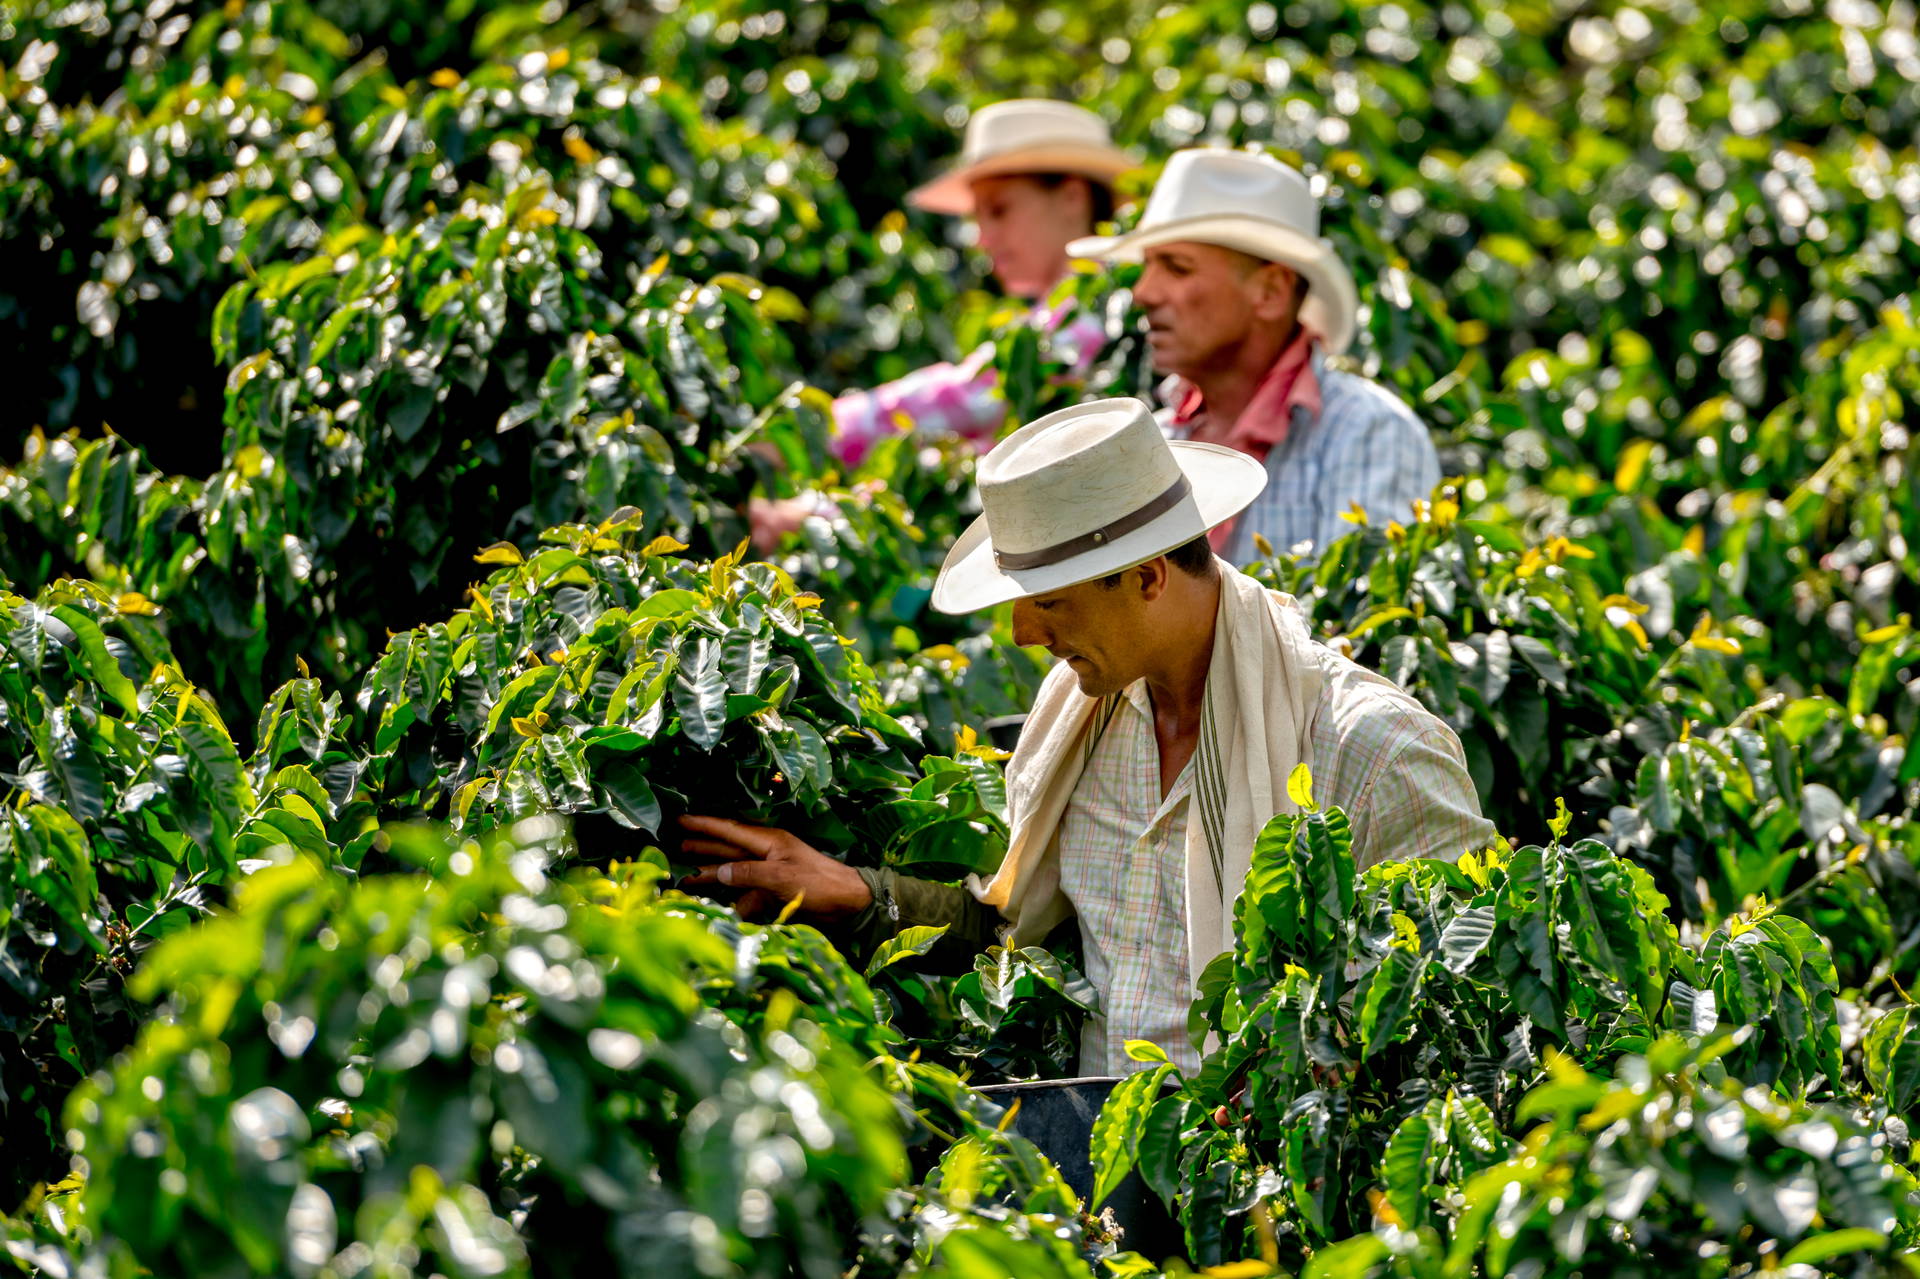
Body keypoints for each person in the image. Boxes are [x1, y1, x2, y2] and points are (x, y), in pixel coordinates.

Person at [684, 398, 1494, 1075]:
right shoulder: (1085, 717)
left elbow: (1461, 1021)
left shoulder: (1372, 752)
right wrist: (859, 890)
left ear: (1147, 577)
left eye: (1050, 599)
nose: (1021, 630)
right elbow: (1016, 928)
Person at [750, 100, 1133, 549]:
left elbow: (974, 396)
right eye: (977, 217)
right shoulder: (1060, 311)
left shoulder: (1102, 305)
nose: (981, 238)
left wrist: (806, 435)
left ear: (1071, 197)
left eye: (1000, 210)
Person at [1066, 148, 1442, 563]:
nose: (1145, 293)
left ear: (1271, 292)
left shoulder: (1366, 433)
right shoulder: (1160, 440)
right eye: (1149, 266)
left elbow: (1362, 618)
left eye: (1177, 267)